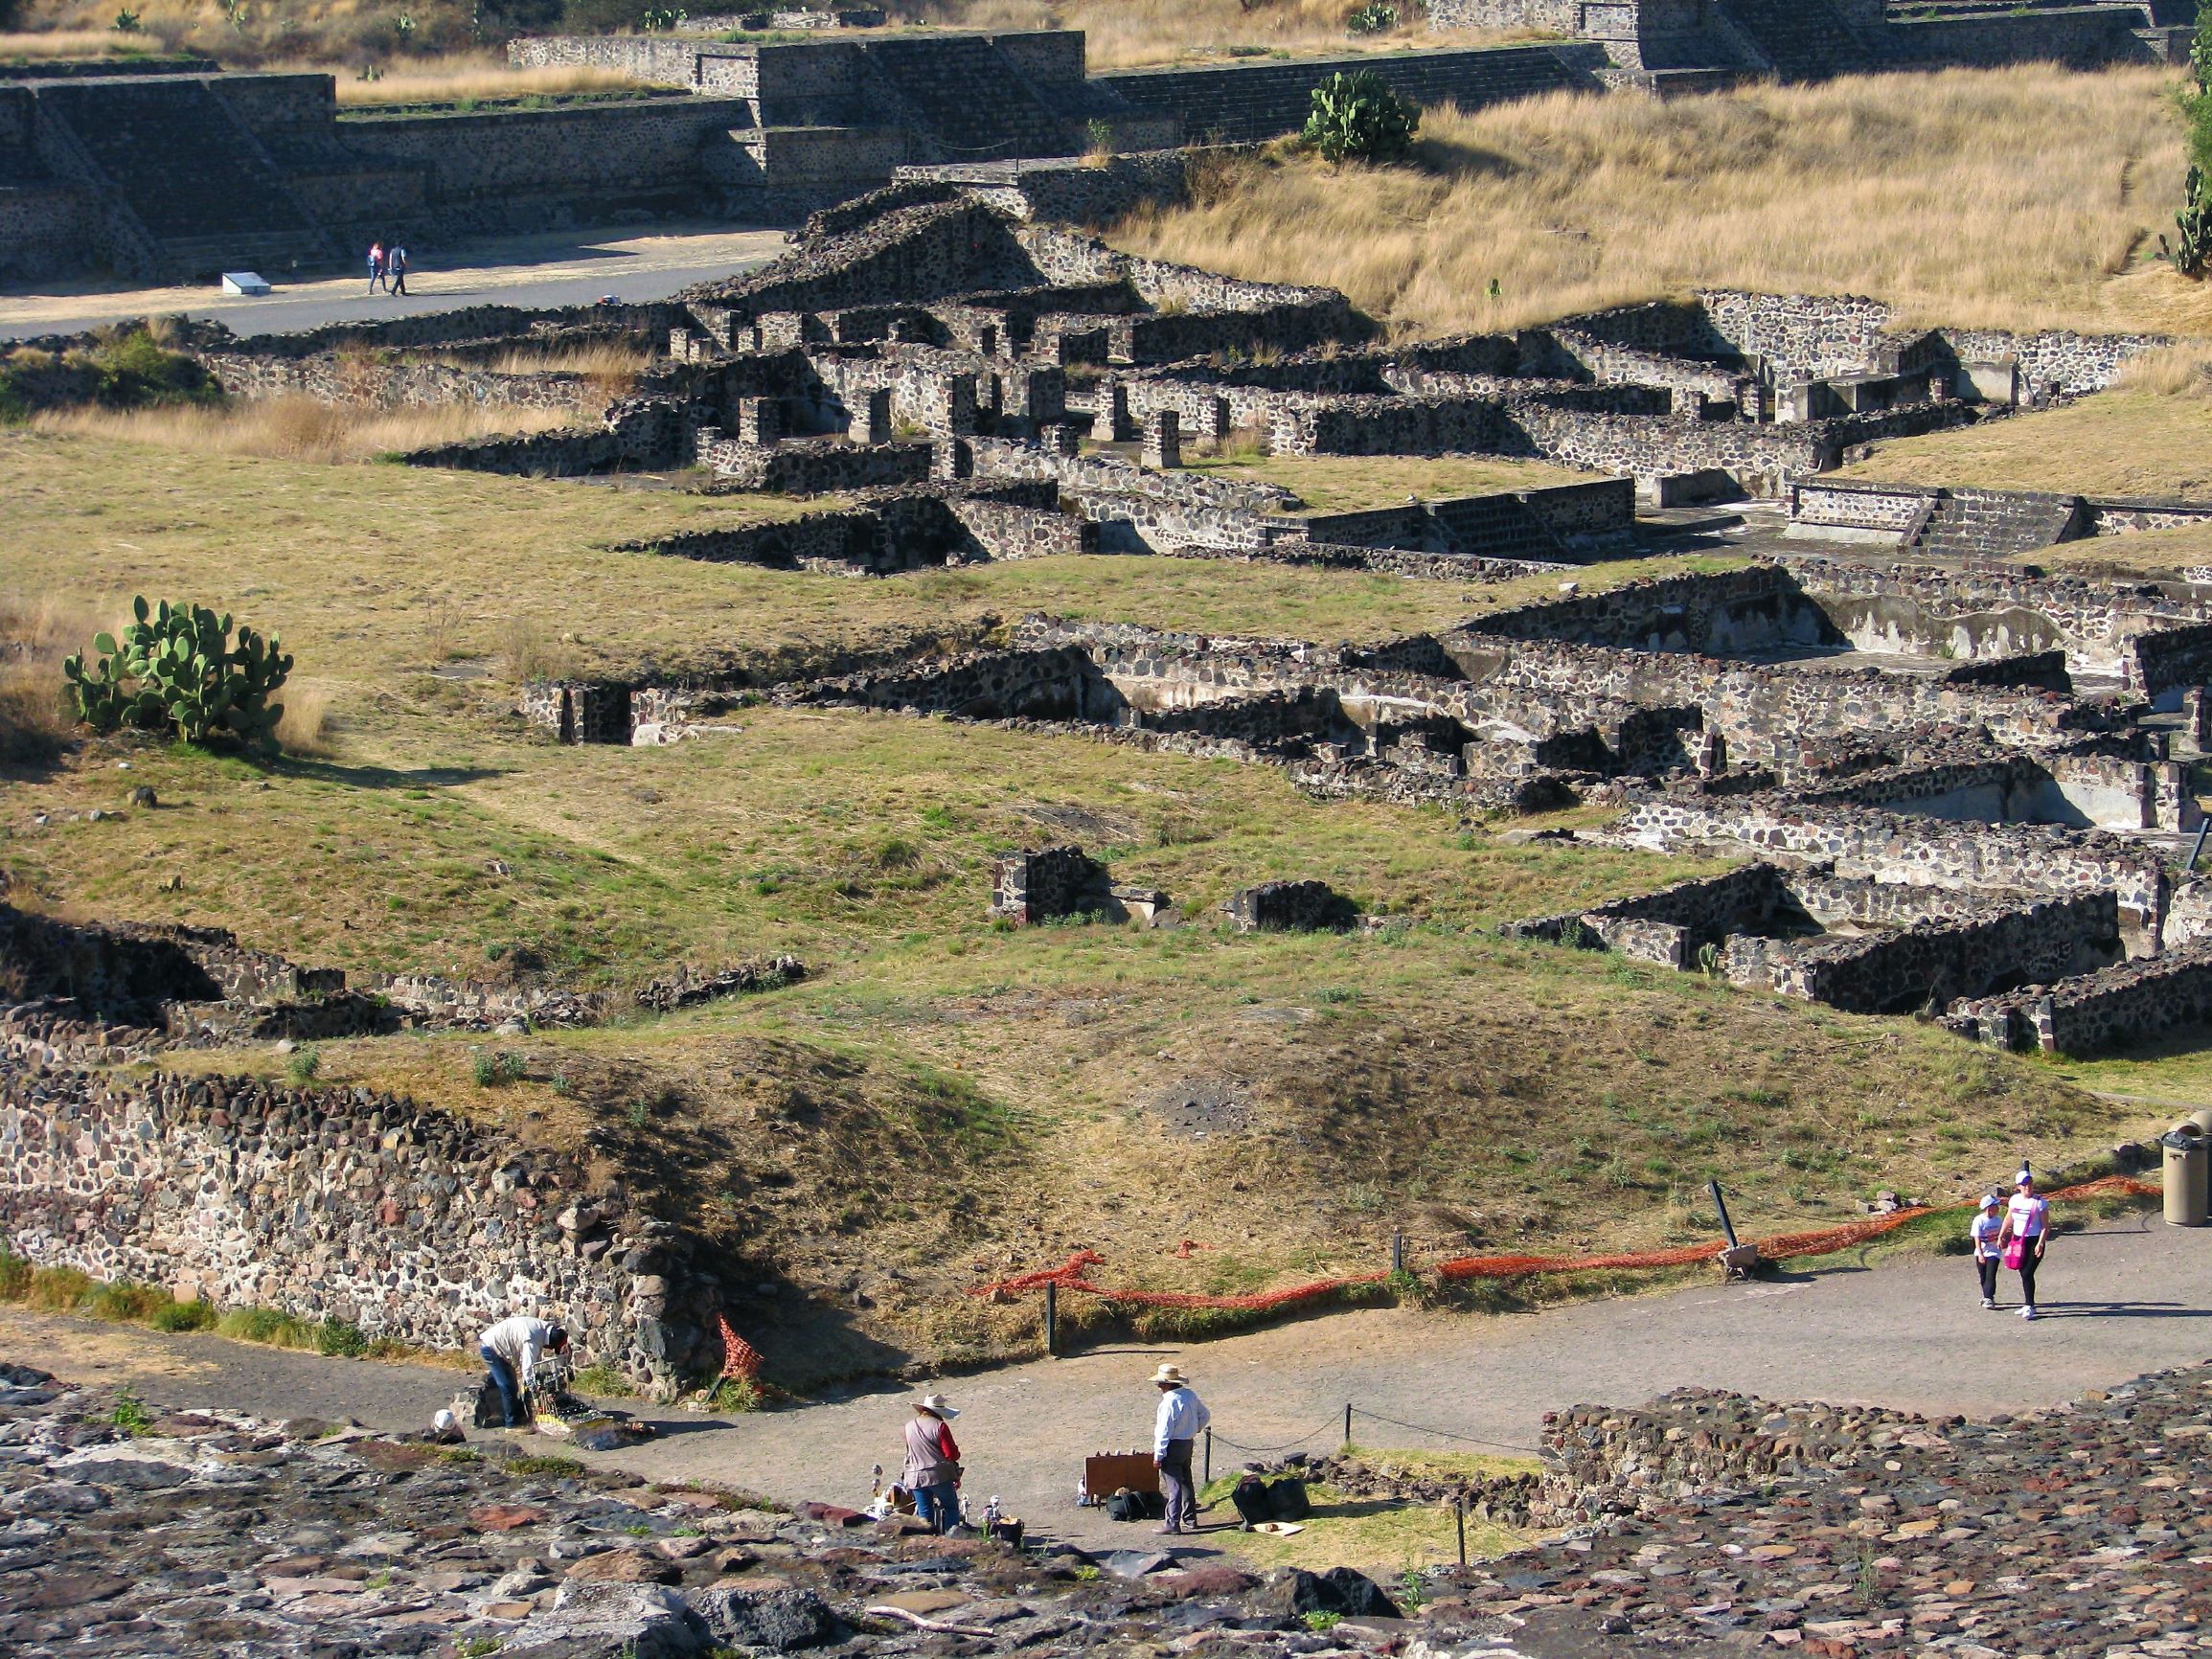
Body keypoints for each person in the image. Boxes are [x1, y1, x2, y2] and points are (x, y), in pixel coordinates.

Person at [1151, 1363, 1210, 1535]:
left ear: (1168, 1384)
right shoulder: (1189, 1395)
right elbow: (1205, 1414)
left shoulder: (1169, 1403)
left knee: (1173, 1485)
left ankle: (1172, 1522)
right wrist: (1196, 1428)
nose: (1159, 1386)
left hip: (1173, 1445)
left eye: (1161, 1383)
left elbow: (1163, 1431)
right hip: (1187, 1443)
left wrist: (1158, 1455)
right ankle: (1190, 1519)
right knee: (1186, 1481)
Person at [478, 1315, 568, 1427]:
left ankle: (507, 1413)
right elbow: (527, 1368)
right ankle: (512, 1425)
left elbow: (535, 1361)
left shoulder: (543, 1328)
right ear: (551, 1343)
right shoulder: (533, 1339)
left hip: (498, 1345)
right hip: (491, 1348)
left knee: (510, 1383)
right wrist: (534, 1388)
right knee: (508, 1387)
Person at [901, 1393, 962, 1534]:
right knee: (951, 1508)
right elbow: (951, 1454)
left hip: (914, 1476)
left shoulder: (909, 1426)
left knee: (924, 1514)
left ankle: (927, 1543)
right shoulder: (940, 1426)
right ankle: (951, 1540)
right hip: (937, 1476)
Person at [1997, 1167, 2050, 1321]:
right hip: (2018, 1240)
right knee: (2021, 1271)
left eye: (2030, 1184)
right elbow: (2008, 1218)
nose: (2028, 1187)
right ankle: (2028, 1304)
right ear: (2018, 1186)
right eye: (2024, 1184)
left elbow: (2046, 1226)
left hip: (2034, 1240)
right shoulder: (2014, 1200)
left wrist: (2040, 1243)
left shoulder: (2040, 1203)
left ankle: (2030, 1306)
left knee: (2027, 1272)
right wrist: (2001, 1236)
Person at [1970, 1192, 2004, 1309]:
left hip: (1994, 1251)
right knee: (1983, 1276)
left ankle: (1989, 1297)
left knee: (1991, 1275)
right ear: (1989, 1208)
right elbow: (1977, 1238)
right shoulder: (1979, 1220)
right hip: (1982, 1251)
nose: (1998, 1208)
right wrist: (1980, 1254)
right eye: (1996, 1206)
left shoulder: (1999, 1220)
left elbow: (2003, 1233)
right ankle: (1986, 1296)